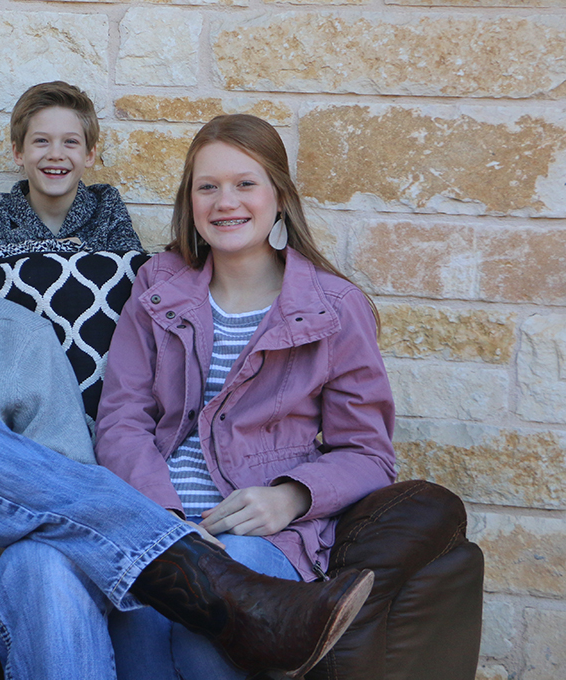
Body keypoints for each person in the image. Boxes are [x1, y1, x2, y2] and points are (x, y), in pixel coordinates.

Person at [0, 135, 374, 680]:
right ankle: (188, 562)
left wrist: (292, 493)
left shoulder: (14, 336)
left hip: (8, 584)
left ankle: (185, 568)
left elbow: (66, 479)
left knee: (42, 566)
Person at [96, 113, 397, 679]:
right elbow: (121, 418)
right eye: (206, 186)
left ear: (279, 196)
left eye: (245, 183)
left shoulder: (335, 306)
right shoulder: (157, 284)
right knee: (140, 616)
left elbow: (370, 455)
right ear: (190, 200)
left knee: (203, 635)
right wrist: (165, 520)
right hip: (157, 524)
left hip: (264, 536)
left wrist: (291, 497)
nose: (224, 201)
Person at [0, 81, 142, 251]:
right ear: (18, 153)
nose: (55, 155)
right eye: (42, 140)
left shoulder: (106, 208)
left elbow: (131, 267)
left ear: (89, 155)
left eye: (70, 141)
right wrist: (56, 247)